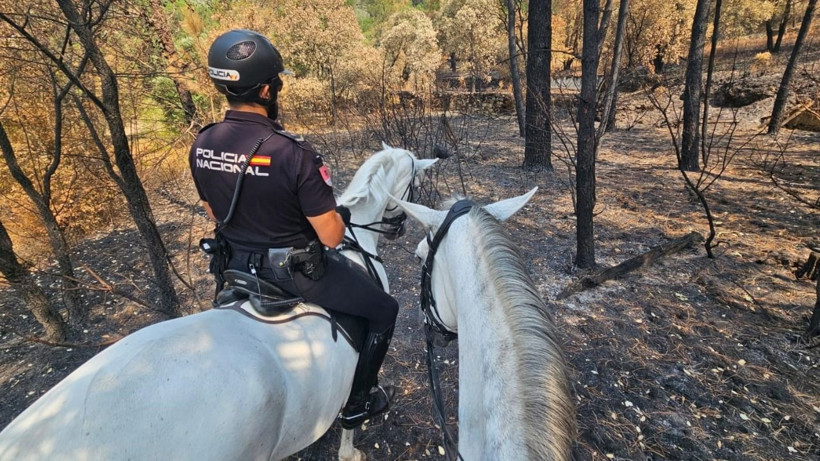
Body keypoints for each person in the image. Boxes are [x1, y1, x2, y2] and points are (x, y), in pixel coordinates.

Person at [189, 29, 399, 429]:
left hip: (232, 268)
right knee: (385, 310)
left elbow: (214, 211)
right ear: (267, 91)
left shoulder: (203, 143)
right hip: (293, 277)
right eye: (277, 81)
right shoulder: (291, 152)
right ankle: (358, 401)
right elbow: (332, 237)